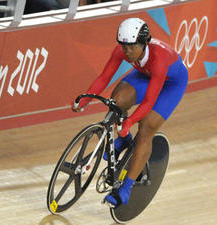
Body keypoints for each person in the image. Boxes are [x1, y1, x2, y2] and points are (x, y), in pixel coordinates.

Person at [72, 17, 188, 206]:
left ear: (144, 44)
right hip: (146, 76)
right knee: (117, 101)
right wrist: (84, 98)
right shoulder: (122, 51)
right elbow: (104, 77)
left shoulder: (159, 57)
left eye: (132, 47)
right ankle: (124, 141)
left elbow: (150, 101)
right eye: (123, 46)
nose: (127, 51)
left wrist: (130, 121)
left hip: (170, 84)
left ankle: (125, 189)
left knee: (146, 127)